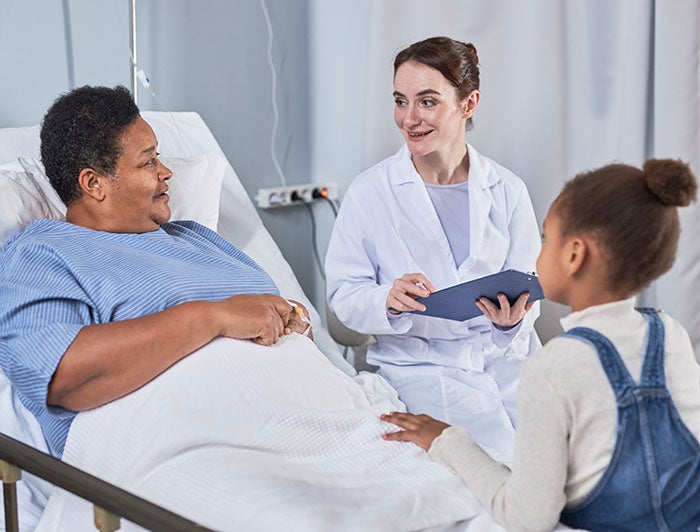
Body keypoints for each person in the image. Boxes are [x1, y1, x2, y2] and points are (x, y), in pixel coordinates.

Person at [382, 159, 700, 531]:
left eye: (546, 238)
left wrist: (448, 440)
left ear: (574, 255)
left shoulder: (551, 368)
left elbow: (527, 519)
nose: (537, 253)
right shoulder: (669, 332)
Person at [0, 85, 311, 458]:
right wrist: (211, 317)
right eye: (148, 162)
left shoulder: (199, 239)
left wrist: (294, 318)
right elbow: (61, 375)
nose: (166, 172)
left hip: (311, 422)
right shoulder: (43, 253)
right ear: (93, 183)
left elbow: (273, 312)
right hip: (204, 450)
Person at [325, 36, 541, 458]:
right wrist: (386, 298)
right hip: (422, 374)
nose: (409, 119)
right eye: (400, 101)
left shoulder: (508, 190)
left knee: (563, 473)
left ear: (469, 103)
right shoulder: (371, 191)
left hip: (508, 367)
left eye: (427, 101)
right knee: (491, 477)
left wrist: (510, 322)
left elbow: (529, 290)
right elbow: (343, 295)